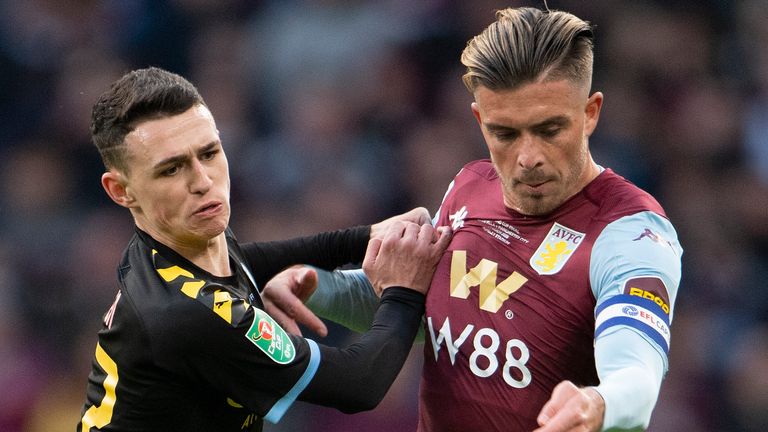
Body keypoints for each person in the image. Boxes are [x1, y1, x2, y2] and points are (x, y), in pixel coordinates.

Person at [263, 6, 683, 432]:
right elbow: (430, 310)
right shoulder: (468, 186)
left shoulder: (632, 232)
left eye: (550, 129)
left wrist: (597, 403)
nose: (528, 158)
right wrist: (318, 287)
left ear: (590, 113)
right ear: (480, 120)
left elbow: (638, 374)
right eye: (505, 133)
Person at [76, 67, 451, 432]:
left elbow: (246, 259)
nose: (203, 181)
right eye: (171, 170)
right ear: (120, 191)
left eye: (209, 153)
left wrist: (366, 237)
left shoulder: (173, 245)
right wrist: (404, 289)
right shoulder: (183, 314)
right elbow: (359, 384)